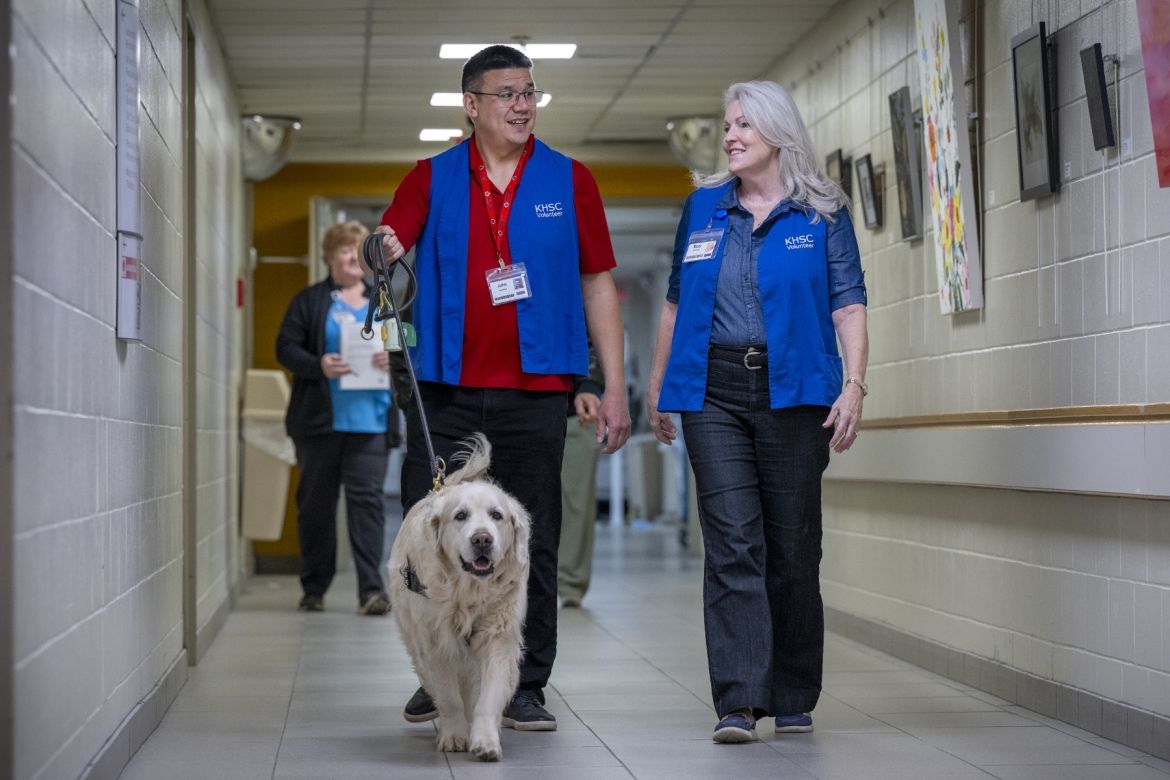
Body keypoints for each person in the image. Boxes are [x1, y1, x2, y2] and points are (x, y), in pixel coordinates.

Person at [375, 44, 631, 731]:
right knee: (428, 541)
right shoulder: (431, 178)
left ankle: (525, 683)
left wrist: (613, 388)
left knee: (529, 539)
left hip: (535, 389)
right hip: (445, 388)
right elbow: (389, 239)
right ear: (472, 104)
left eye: (530, 92)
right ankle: (438, 675)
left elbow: (598, 282)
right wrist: (382, 250)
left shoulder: (568, 179)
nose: (522, 105)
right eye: (507, 93)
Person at [646, 80, 869, 744]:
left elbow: (849, 303)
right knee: (733, 542)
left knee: (793, 547)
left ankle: (793, 688)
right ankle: (738, 700)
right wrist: (661, 386)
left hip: (797, 390)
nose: (731, 135)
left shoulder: (822, 212)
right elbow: (676, 302)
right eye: (728, 124)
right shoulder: (704, 207)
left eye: (744, 124)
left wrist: (854, 383)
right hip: (713, 390)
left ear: (778, 132)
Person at [276, 220, 395, 617]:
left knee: (368, 507)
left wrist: (391, 356)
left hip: (371, 423)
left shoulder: (386, 300)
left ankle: (372, 591)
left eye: (357, 250)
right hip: (320, 424)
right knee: (316, 507)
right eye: (344, 250)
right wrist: (317, 364)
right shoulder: (310, 301)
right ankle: (314, 588)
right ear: (329, 258)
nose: (351, 258)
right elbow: (285, 347)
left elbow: (409, 341)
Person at [557, 348, 604, 608]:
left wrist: (590, 384)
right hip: (513, 399)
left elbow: (597, 324)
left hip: (576, 407)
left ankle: (571, 585)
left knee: (577, 503)